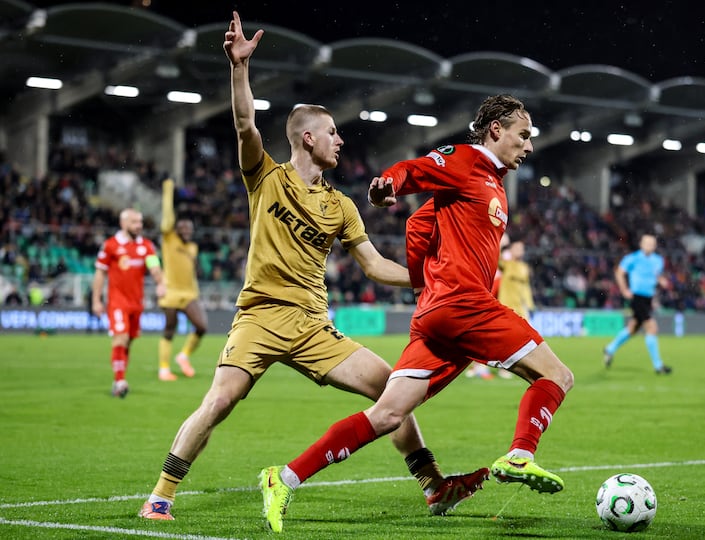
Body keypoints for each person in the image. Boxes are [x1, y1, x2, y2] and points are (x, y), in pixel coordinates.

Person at [138, 11, 487, 523]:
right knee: (219, 402)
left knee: (393, 389)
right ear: (308, 139)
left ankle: (435, 486)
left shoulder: (341, 205)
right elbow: (244, 123)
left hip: (311, 325)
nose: (340, 141)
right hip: (258, 317)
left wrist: (429, 278)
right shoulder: (266, 177)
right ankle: (160, 496)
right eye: (333, 133)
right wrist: (239, 69)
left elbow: (372, 264)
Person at [261, 94, 575, 533]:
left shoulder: (490, 183)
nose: (529, 146)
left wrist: (422, 285)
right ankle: (521, 454)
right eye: (523, 135)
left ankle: (284, 477)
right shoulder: (466, 160)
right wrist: (388, 184)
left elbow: (418, 225)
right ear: (496, 130)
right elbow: (414, 168)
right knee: (556, 376)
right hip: (464, 305)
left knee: (389, 414)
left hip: (439, 317)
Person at [92, 208, 166, 398]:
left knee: (128, 343)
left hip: (136, 303)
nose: (139, 226)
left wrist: (160, 284)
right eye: (134, 222)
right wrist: (96, 300)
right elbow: (100, 272)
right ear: (123, 223)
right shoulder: (111, 245)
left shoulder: (147, 246)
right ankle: (119, 381)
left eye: (140, 222)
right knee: (121, 338)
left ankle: (119, 377)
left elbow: (155, 268)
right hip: (117, 301)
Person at [156, 178, 206, 381]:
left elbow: (195, 271)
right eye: (183, 228)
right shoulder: (169, 239)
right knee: (170, 329)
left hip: (189, 293)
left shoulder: (193, 248)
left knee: (201, 327)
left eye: (189, 229)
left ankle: (183, 356)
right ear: (176, 229)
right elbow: (167, 218)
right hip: (171, 291)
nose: (186, 231)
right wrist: (168, 190)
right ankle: (164, 369)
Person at [602, 233, 672, 374]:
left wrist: (661, 281)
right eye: (647, 243)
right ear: (641, 244)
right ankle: (658, 366)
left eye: (652, 244)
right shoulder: (632, 258)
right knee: (652, 328)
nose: (649, 246)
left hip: (648, 298)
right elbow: (619, 273)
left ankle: (610, 348)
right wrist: (624, 289)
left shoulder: (658, 260)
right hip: (637, 297)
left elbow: (655, 274)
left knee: (633, 328)